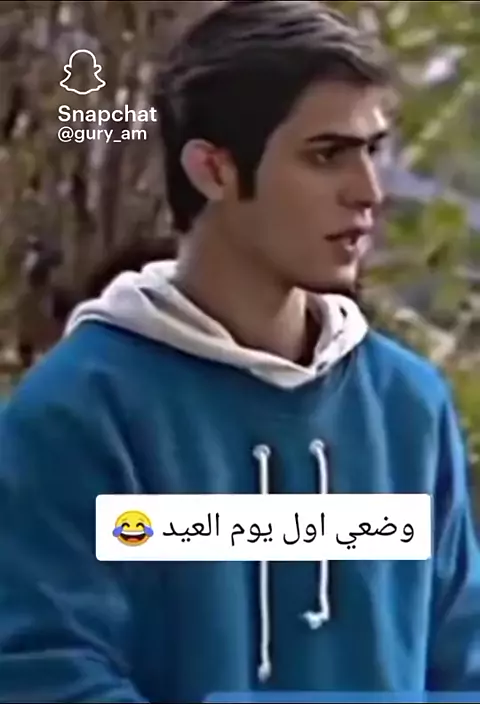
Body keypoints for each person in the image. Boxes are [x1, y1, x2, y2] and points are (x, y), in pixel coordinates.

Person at [0, 2, 478, 702]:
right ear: (214, 170)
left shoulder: (407, 406)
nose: (368, 192)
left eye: (372, 150)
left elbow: (462, 666)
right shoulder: (80, 414)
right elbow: (47, 674)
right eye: (327, 155)